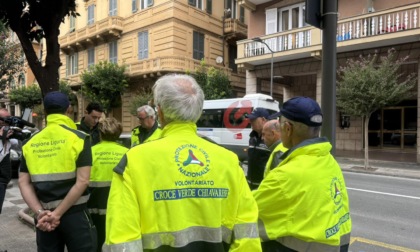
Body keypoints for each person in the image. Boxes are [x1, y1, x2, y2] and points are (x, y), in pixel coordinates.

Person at [104, 74, 261, 251]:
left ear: (160, 112)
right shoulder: (229, 160)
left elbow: (122, 240)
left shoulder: (133, 161)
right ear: (199, 112)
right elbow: (247, 236)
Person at [253, 97, 352, 252]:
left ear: (288, 128)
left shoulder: (285, 175)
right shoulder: (328, 160)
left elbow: (249, 212)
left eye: (279, 123)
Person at [18, 91, 97, 252]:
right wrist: (58, 214)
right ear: (68, 109)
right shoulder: (80, 138)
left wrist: (40, 213)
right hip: (75, 214)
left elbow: (23, 182)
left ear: (45, 111)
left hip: (44, 217)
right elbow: (83, 181)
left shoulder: (30, 142)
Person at [88, 117, 128, 251]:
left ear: (100, 133)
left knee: (97, 243)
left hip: (94, 209)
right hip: (119, 209)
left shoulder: (90, 152)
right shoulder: (127, 153)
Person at [245, 107, 271, 189]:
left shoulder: (272, 138)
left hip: (264, 187)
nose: (251, 122)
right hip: (250, 185)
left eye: (253, 119)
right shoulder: (252, 137)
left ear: (263, 120)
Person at [0, 108, 13, 214]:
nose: (7, 122)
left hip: (3, 181)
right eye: (4, 119)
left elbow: (16, 143)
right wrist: (1, 138)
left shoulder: (6, 133)